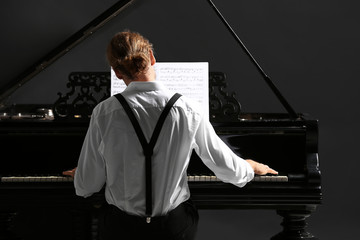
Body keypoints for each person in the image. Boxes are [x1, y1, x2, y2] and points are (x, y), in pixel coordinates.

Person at [63, 30, 278, 240]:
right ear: (152, 58)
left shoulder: (104, 112)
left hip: (122, 228)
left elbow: (88, 186)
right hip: (172, 229)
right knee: (185, 212)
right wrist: (249, 166)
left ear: (117, 72)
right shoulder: (188, 109)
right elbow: (228, 169)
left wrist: (82, 175)